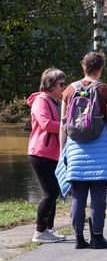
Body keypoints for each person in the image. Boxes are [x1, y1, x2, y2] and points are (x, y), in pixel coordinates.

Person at [56, 52, 107, 249]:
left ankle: (79, 239)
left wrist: (63, 151)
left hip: (76, 151)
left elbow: (63, 124)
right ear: (100, 68)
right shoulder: (106, 91)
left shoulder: (69, 90)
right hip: (101, 153)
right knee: (98, 196)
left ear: (83, 67)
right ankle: (97, 238)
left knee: (78, 195)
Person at [27, 68, 67, 243]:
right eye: (61, 84)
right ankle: (39, 232)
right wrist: (67, 125)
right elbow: (46, 124)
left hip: (52, 154)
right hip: (41, 153)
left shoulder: (55, 101)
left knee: (54, 191)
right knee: (49, 192)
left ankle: (48, 229)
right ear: (50, 84)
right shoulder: (41, 100)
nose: (63, 87)